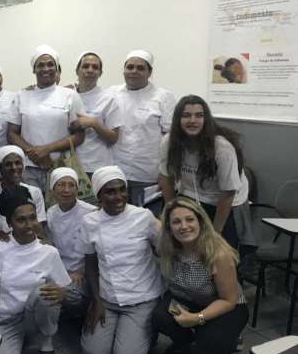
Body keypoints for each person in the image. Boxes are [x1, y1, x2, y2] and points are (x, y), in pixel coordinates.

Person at [0, 186, 71, 354]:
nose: (30, 225)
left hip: (37, 316)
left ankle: (46, 343)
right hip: (7, 321)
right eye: (21, 220)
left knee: (43, 292)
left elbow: (63, 289)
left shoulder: (48, 252)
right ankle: (20, 340)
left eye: (32, 217)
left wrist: (62, 294)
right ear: (9, 222)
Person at [80, 166, 164, 354]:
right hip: (107, 300)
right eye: (110, 191)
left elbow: (163, 250)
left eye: (121, 190)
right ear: (99, 195)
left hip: (141, 298)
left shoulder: (143, 217)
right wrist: (97, 300)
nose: (118, 196)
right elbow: (90, 263)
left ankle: (147, 332)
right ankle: (125, 333)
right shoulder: (89, 222)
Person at [152, 197, 248, 354]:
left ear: (201, 221)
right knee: (159, 316)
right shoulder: (168, 248)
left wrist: (197, 318)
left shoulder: (218, 254)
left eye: (189, 219)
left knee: (211, 339)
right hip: (187, 300)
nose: (183, 226)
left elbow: (229, 300)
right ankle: (186, 343)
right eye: (176, 222)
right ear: (169, 228)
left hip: (225, 306)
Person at [159, 95, 249, 249]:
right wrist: (170, 213)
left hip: (224, 201)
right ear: (177, 120)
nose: (192, 120)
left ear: (206, 119)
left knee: (219, 251)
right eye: (186, 115)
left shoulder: (222, 147)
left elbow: (227, 193)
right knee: (184, 245)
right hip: (190, 195)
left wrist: (216, 232)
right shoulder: (168, 141)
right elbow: (166, 179)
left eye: (199, 116)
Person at [8, 44, 85, 194]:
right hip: (28, 167)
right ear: (34, 69)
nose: (46, 69)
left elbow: (79, 136)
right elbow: (12, 133)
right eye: (40, 65)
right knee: (31, 211)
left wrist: (47, 149)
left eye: (51, 64)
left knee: (60, 212)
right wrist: (35, 155)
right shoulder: (22, 95)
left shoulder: (70, 95)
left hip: (61, 166)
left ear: (57, 68)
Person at [111, 49, 176, 206]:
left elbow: (171, 138)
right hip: (116, 173)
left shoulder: (163, 97)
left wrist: (165, 173)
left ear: (150, 72)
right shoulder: (112, 93)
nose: (134, 71)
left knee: (147, 222)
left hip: (149, 174)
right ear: (124, 70)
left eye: (140, 68)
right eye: (130, 67)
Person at [46, 167, 97, 314]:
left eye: (71, 185)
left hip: (83, 272)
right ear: (52, 190)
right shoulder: (50, 213)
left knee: (68, 294)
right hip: (58, 270)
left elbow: (97, 251)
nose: (66, 190)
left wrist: (80, 271)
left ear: (77, 189)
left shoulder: (91, 213)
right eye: (61, 185)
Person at [68, 52, 123, 174]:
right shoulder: (66, 95)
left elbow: (113, 138)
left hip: (96, 166)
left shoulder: (108, 99)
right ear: (77, 71)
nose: (90, 70)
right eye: (85, 66)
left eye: (95, 67)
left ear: (100, 73)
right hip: (68, 164)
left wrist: (94, 123)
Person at [0, 146, 46, 235]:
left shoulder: (34, 192)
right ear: (0, 168)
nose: (14, 167)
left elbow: (39, 227)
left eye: (18, 163)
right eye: (8, 164)